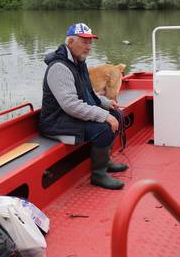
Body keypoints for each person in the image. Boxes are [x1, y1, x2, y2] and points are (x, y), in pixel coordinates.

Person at [39, 23, 128, 190]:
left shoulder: (79, 62)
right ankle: (98, 175)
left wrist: (106, 104)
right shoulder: (60, 67)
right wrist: (103, 116)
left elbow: (89, 93)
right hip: (56, 121)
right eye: (84, 42)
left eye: (90, 42)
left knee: (115, 115)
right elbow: (71, 105)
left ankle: (105, 161)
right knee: (103, 127)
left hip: (68, 116)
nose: (89, 47)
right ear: (71, 42)